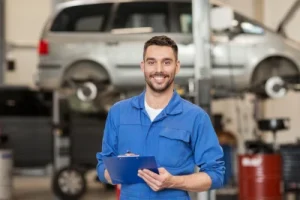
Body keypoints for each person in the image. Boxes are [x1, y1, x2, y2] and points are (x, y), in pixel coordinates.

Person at [96, 35, 225, 200]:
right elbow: (103, 167)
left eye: (166, 62)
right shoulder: (118, 113)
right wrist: (121, 169)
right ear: (142, 67)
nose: (159, 69)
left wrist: (173, 182)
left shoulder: (196, 117)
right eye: (151, 62)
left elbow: (216, 174)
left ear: (177, 67)